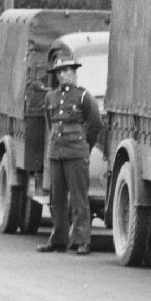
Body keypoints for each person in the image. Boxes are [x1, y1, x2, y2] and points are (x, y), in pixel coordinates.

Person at [38, 47, 104, 255]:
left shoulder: (83, 96)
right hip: (57, 153)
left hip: (76, 153)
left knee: (78, 199)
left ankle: (82, 240)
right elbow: (50, 123)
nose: (63, 75)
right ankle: (58, 239)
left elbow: (95, 124)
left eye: (66, 70)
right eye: (59, 71)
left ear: (74, 73)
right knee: (56, 200)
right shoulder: (50, 97)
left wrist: (84, 146)